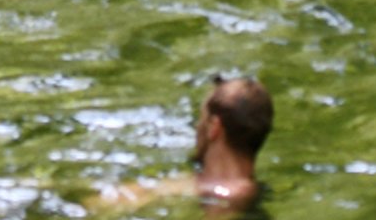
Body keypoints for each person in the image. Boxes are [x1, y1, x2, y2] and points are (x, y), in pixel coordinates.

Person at [85, 76, 274, 216]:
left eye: (201, 120)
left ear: (214, 128)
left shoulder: (229, 198)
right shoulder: (204, 184)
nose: (196, 128)